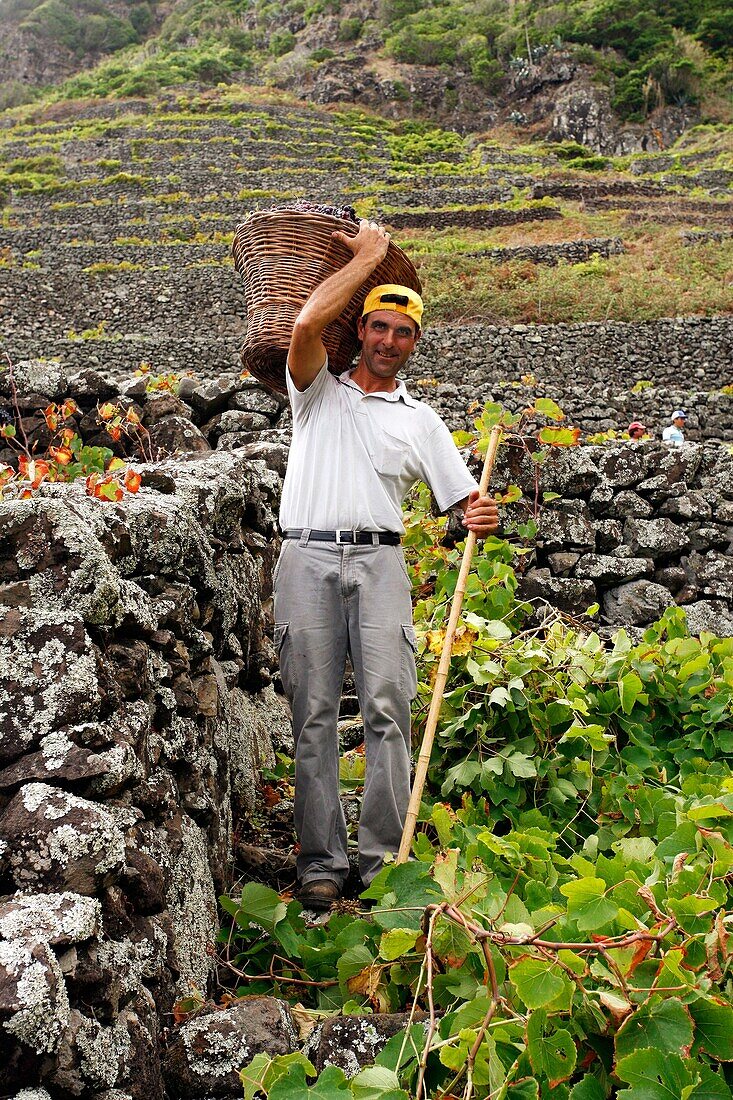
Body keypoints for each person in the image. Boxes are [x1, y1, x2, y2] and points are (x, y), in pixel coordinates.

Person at [273, 219, 499, 911]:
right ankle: (320, 860)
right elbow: (308, 318)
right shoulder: (314, 390)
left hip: (380, 564)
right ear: (359, 331)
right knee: (311, 714)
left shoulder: (420, 420)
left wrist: (477, 515)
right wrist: (368, 257)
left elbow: (460, 503)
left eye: (403, 333)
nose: (389, 342)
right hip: (305, 554)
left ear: (414, 343)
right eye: (378, 327)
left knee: (386, 711)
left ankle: (379, 862)